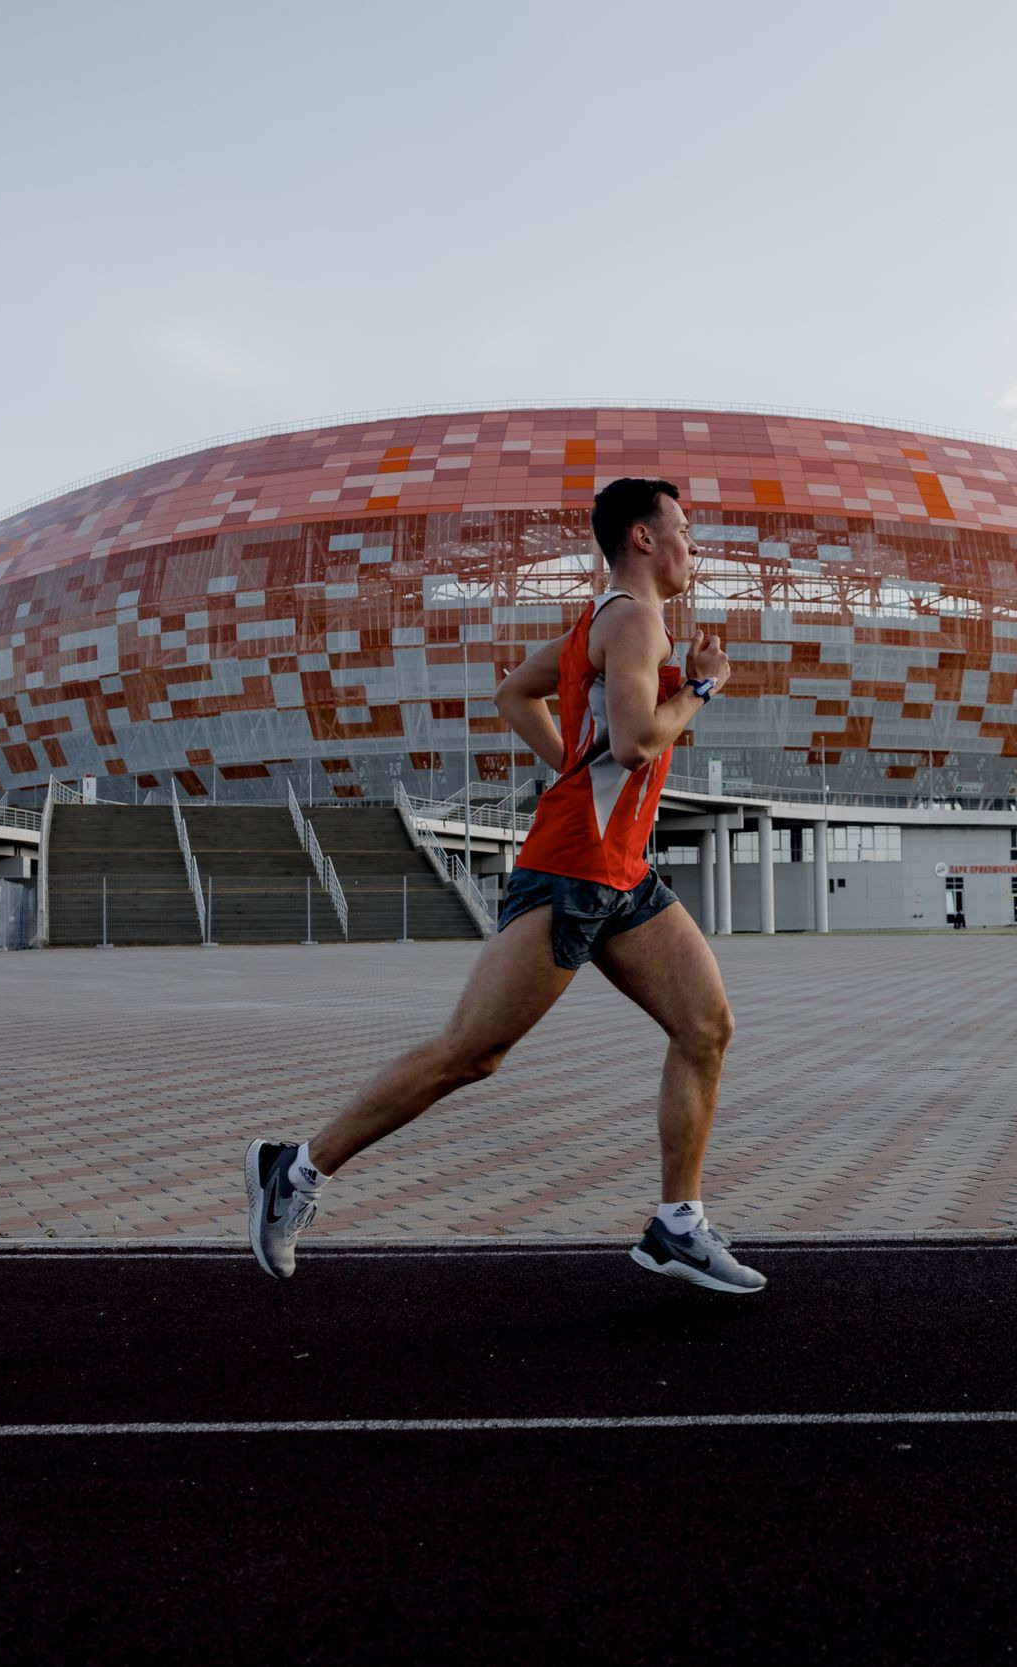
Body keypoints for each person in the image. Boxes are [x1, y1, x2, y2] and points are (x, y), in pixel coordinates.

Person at [244, 478, 762, 1294]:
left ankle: (677, 1224)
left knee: (706, 1026)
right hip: (571, 872)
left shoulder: (598, 622)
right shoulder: (634, 621)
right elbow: (632, 745)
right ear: (642, 539)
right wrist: (699, 689)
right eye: (685, 531)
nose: (694, 547)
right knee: (470, 1053)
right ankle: (295, 1171)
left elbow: (515, 694)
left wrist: (570, 769)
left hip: (622, 876)